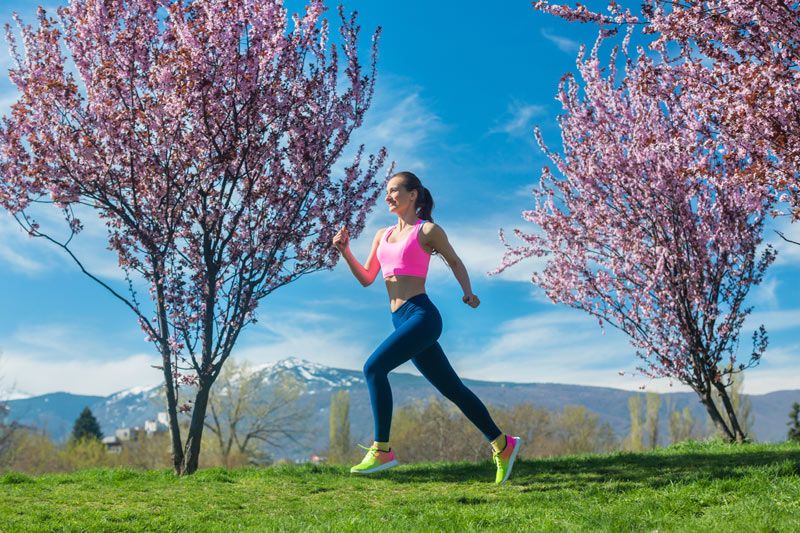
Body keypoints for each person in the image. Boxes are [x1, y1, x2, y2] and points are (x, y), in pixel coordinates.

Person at [332, 171, 521, 484]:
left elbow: (455, 261)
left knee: (373, 368)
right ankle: (503, 445)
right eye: (387, 192)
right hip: (400, 319)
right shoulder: (382, 235)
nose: (388, 197)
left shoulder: (427, 230)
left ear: (413, 194)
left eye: (394, 191)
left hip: (422, 316)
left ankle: (382, 450)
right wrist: (345, 251)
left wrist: (468, 292)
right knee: (453, 389)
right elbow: (367, 278)